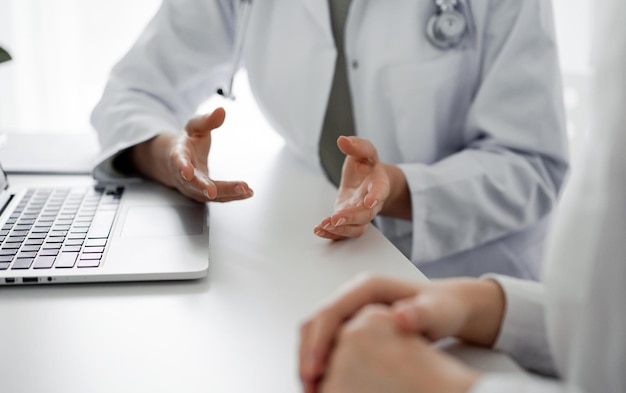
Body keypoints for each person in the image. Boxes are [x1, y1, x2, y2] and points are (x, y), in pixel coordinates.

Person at [91, 0, 569, 279]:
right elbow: (133, 91)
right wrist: (169, 158)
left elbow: (532, 162)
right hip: (318, 266)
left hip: (468, 283)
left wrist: (393, 189)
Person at [298, 2, 626, 391]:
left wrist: (439, 385)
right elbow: (607, 329)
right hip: (460, 303)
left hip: (486, 276)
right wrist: (482, 305)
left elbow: (603, 365)